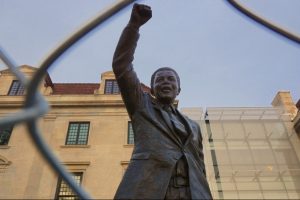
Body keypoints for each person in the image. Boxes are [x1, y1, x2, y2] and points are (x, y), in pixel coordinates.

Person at [112, 3, 212, 199]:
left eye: (171, 79)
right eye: (159, 79)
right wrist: (134, 26)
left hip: (193, 193)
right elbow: (121, 64)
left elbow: (200, 165)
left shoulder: (193, 126)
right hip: (152, 189)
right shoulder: (142, 106)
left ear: (179, 89)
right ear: (152, 88)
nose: (165, 82)